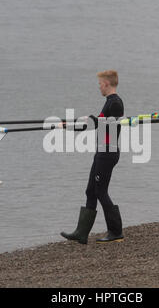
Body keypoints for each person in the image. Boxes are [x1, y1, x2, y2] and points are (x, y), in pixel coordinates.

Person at [61, 70, 124, 244]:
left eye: (100, 84)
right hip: (101, 152)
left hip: (108, 153)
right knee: (90, 190)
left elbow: (108, 125)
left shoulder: (116, 103)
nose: (99, 87)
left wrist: (93, 121)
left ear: (106, 84)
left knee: (101, 191)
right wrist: (74, 125)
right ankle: (81, 234)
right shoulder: (109, 103)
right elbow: (100, 123)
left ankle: (116, 231)